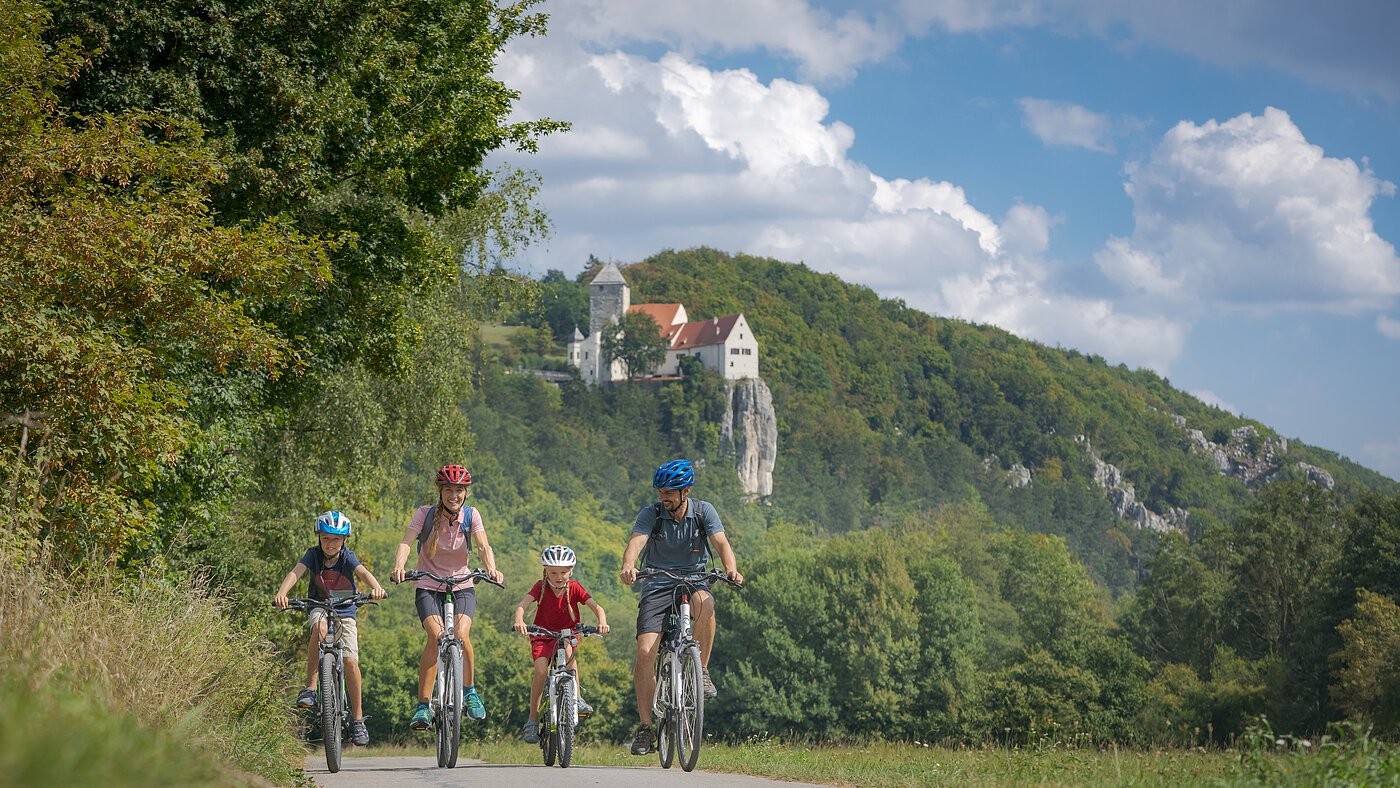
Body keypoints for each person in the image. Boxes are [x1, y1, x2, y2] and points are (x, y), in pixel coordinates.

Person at [618, 459, 743, 756]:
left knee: (707, 603)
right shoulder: (652, 514)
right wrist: (628, 565)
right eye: (661, 491)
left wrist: (731, 569)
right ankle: (646, 728)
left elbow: (721, 543)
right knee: (645, 652)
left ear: (685, 491)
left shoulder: (703, 511)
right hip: (657, 583)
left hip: (695, 580)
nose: (664, 496)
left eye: (670, 492)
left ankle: (701, 670)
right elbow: (636, 542)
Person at [389, 464, 504, 731]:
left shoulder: (471, 515)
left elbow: (484, 544)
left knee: (462, 635)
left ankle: (469, 691)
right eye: (449, 489)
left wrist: (492, 569)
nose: (454, 495)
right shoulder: (424, 514)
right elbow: (406, 542)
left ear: (466, 493)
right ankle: (423, 706)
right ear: (440, 491)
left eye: (459, 490)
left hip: (462, 585)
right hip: (428, 585)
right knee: (436, 636)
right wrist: (399, 566)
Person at [273, 510, 387, 747]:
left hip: (346, 609)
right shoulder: (313, 555)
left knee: (350, 661)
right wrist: (282, 593)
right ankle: (311, 689)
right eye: (326, 538)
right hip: (319, 605)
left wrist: (376, 587)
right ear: (319, 538)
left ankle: (357, 720)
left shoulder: (347, 557)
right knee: (319, 629)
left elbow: (362, 572)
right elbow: (296, 572)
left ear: (345, 540)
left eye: (336, 539)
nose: (330, 544)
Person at [511, 545, 611, 743]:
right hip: (542, 634)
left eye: (564, 572)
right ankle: (532, 719)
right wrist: (520, 621)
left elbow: (597, 607)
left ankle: (577, 698)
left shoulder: (574, 587)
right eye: (553, 572)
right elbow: (522, 606)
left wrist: (602, 622)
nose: (559, 576)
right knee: (540, 671)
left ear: (571, 571)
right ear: (545, 571)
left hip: (567, 633)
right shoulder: (540, 586)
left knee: (569, 654)